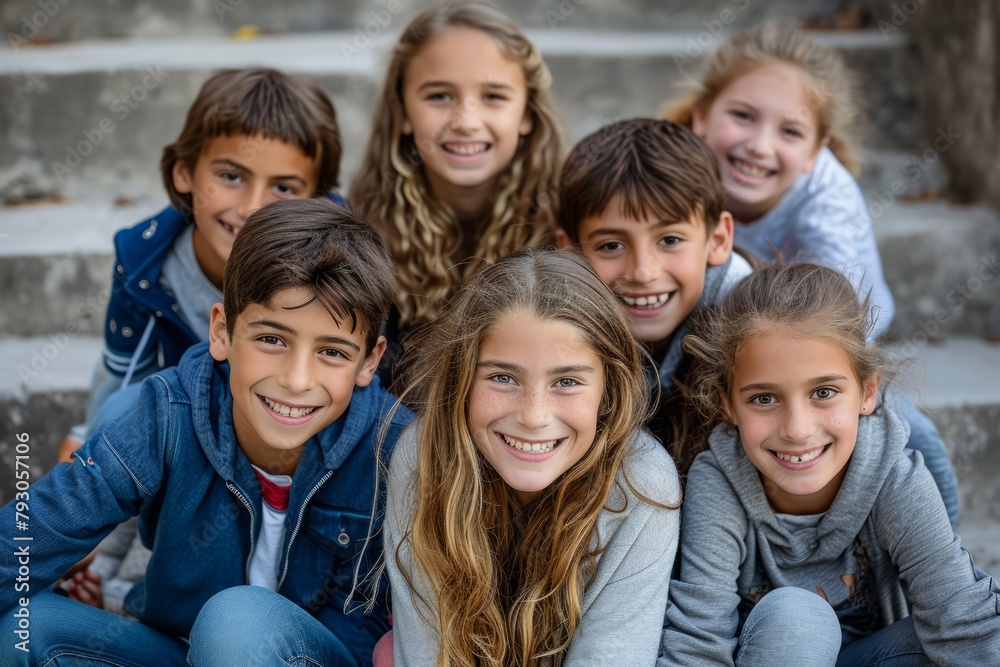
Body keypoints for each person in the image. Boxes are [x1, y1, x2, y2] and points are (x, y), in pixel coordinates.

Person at [0, 198, 413, 666]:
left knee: (235, 623)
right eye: (272, 339)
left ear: (370, 361)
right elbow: (42, 524)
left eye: (333, 352)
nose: (298, 381)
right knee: (22, 629)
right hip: (179, 651)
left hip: (311, 659)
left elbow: (384, 624)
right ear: (221, 331)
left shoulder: (394, 450)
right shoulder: (170, 413)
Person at [55, 66, 344, 612]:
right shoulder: (148, 264)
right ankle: (92, 579)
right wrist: (84, 439)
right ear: (185, 172)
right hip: (181, 422)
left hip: (290, 421)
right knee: (122, 415)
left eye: (283, 188)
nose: (253, 206)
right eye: (231, 176)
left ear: (320, 198)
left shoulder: (334, 261)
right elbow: (121, 375)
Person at [662, 24, 960, 526]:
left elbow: (836, 331)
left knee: (897, 421)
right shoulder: (672, 170)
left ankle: (942, 539)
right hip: (724, 312)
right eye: (741, 116)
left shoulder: (828, 202)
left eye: (790, 132)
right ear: (700, 117)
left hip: (833, 325)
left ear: (816, 152)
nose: (759, 145)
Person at [659, 263, 1000, 666]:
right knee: (798, 617)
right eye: (764, 398)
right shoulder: (717, 484)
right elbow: (699, 639)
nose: (798, 430)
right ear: (727, 406)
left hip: (871, 656)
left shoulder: (896, 479)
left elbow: (961, 618)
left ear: (867, 392)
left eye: (823, 392)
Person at [382, 248, 680, 665]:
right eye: (503, 378)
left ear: (608, 391)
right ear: (462, 380)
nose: (534, 416)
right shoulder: (423, 458)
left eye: (567, 381)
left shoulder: (641, 483)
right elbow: (427, 656)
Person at [349, 2, 562, 386]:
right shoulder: (357, 236)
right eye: (439, 96)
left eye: (493, 96)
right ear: (402, 112)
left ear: (527, 112)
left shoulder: (569, 231)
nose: (465, 120)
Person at [556, 118, 752, 473]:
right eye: (611, 245)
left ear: (718, 240)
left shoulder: (756, 330)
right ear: (569, 253)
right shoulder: (547, 319)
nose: (643, 272)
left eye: (670, 240)